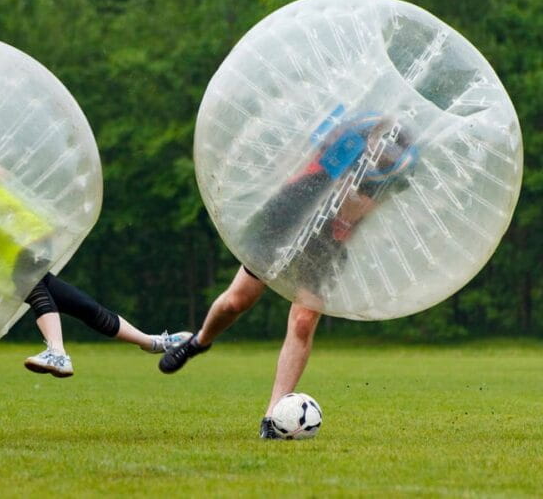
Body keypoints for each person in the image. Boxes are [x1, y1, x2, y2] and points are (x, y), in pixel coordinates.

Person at [159, 109, 417, 437]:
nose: (382, 156)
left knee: (303, 321)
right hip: (287, 213)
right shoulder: (350, 138)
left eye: (388, 156)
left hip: (329, 237)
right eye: (380, 148)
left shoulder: (400, 170)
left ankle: (273, 415)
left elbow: (360, 208)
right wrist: (345, 176)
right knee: (238, 300)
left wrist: (358, 196)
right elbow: (316, 171)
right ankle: (200, 341)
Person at [0, 136, 191, 377]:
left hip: (20, 232)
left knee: (33, 289)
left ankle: (57, 351)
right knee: (76, 303)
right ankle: (154, 342)